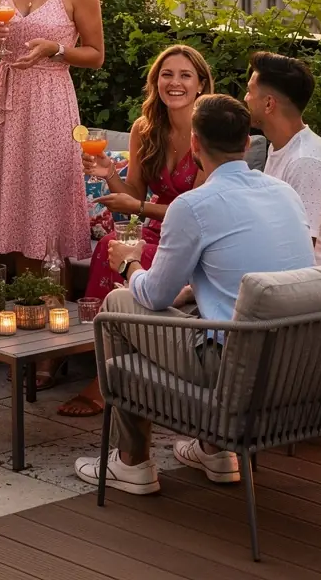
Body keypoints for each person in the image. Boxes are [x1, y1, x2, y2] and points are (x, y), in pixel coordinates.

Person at [73, 94, 315, 494]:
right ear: (247, 145)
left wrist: (130, 262)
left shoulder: (193, 205)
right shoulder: (284, 194)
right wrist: (189, 292)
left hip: (231, 365)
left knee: (119, 305)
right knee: (181, 306)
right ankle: (215, 451)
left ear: (196, 146)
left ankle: (131, 461)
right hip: (294, 360)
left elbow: (151, 295)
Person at [0, 0, 105, 389]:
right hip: (5, 100)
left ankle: (53, 345)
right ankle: (26, 327)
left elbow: (96, 53)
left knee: (47, 217)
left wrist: (56, 49)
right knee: (18, 211)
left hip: (50, 103)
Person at [58, 44, 213, 417]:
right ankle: (99, 353)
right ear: (156, 81)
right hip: (157, 229)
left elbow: (201, 210)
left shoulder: (208, 133)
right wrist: (110, 173)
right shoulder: (145, 129)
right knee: (110, 244)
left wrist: (139, 209)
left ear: (201, 85)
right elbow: (134, 194)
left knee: (129, 252)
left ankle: (103, 377)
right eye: (167, 74)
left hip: (194, 238)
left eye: (185, 75)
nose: (174, 83)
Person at [244, 51, 321, 265]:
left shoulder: (306, 162)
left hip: (312, 286)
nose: (245, 98)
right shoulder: (282, 146)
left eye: (249, 92)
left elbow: (297, 254)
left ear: (268, 104)